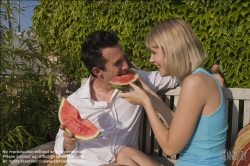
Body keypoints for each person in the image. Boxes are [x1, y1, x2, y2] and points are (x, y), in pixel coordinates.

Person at [54, 30, 224, 166]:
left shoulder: (137, 80)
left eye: (124, 58)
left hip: (123, 161)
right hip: (87, 163)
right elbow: (60, 145)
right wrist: (67, 143)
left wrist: (207, 78)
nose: (126, 66)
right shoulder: (76, 101)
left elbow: (175, 72)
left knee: (124, 153)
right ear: (98, 72)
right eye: (117, 63)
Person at [119, 18, 228, 166]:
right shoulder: (197, 77)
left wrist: (145, 103)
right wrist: (147, 92)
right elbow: (177, 125)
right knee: (125, 154)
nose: (151, 59)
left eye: (154, 52)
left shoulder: (195, 83)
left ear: (172, 50)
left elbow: (170, 147)